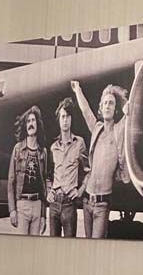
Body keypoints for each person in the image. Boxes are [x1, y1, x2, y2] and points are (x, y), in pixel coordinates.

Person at [70, 80, 129, 238]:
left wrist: (127, 106)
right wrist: (78, 90)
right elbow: (85, 111)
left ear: (116, 109)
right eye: (105, 103)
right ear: (101, 108)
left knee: (97, 246)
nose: (108, 106)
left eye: (111, 103)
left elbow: (131, 111)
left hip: (102, 203)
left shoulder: (119, 131)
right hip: (87, 200)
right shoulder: (96, 129)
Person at [46, 98, 89, 237]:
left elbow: (89, 171)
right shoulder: (53, 147)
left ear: (71, 119)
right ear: (59, 120)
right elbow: (48, 175)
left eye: (68, 116)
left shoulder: (79, 143)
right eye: (63, 117)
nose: (65, 120)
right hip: (54, 203)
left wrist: (80, 190)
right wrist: (49, 190)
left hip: (69, 204)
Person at [8, 106, 48, 235]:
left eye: (33, 121)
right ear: (25, 126)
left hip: (37, 205)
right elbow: (11, 182)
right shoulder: (18, 149)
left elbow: (44, 188)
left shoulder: (43, 152)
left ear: (38, 124)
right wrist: (12, 210)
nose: (31, 124)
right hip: (22, 205)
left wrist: (43, 216)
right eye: (28, 121)